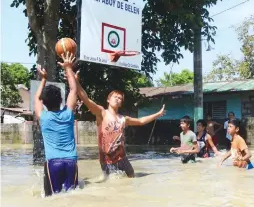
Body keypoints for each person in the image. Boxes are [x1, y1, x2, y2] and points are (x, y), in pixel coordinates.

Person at [73, 71, 165, 178]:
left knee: (131, 179)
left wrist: (158, 114)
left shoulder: (123, 119)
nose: (117, 99)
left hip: (122, 158)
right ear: (108, 99)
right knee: (112, 185)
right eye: (115, 97)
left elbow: (141, 121)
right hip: (106, 159)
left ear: (121, 103)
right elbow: (86, 99)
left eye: (120, 98)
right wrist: (76, 82)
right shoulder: (101, 113)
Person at [34, 52, 78, 196]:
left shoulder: (43, 117)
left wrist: (44, 79)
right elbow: (73, 90)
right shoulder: (68, 114)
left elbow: (37, 97)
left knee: (52, 199)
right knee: (71, 197)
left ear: (45, 103)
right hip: (71, 162)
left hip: (53, 163)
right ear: (61, 100)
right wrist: (68, 68)